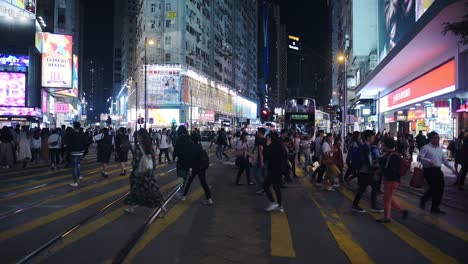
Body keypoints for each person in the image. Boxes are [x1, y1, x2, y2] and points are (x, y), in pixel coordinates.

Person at [124, 128, 164, 214]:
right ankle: (161, 207)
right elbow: (153, 160)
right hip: (148, 173)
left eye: (138, 135)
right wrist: (152, 170)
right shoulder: (149, 146)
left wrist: (134, 170)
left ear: (141, 137)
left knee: (135, 189)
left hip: (139, 173)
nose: (137, 137)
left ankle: (131, 207)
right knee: (152, 190)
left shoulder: (138, 147)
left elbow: (136, 161)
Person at [418, 131, 457, 214]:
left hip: (438, 170)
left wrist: (452, 168)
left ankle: (434, 206)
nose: (437, 139)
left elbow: (444, 160)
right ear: (431, 139)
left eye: (438, 138)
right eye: (435, 138)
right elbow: (419, 158)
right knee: (434, 187)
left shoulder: (439, 149)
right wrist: (428, 161)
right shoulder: (426, 148)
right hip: (429, 170)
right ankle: (426, 200)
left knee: (440, 188)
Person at [376, 137, 409, 223]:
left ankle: (387, 217)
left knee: (387, 199)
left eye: (383, 145)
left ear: (386, 146)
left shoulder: (390, 156)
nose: (382, 146)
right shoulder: (394, 154)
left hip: (391, 180)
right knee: (388, 197)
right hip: (393, 180)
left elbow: (386, 169)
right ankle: (402, 211)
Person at [352, 130, 383, 213]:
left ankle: (355, 205)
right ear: (368, 138)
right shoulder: (366, 147)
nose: (374, 138)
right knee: (374, 186)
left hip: (363, 171)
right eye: (372, 137)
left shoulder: (364, 146)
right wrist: (374, 167)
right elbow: (368, 160)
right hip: (365, 171)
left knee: (362, 189)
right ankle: (373, 206)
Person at [180, 132, 213, 204]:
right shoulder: (199, 145)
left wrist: (190, 168)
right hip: (201, 167)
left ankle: (184, 196)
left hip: (194, 167)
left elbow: (190, 158)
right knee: (204, 183)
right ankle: (209, 199)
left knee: (189, 182)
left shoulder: (191, 146)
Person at [264, 132, 287, 212]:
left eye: (269, 137)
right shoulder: (280, 146)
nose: (268, 139)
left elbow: (266, 157)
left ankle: (273, 202)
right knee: (276, 187)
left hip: (273, 169)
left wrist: (267, 145)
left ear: (271, 138)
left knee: (266, 186)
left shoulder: (271, 146)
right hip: (279, 170)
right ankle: (280, 206)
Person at [65, 122, 88, 186]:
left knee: (74, 167)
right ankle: (79, 176)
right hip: (80, 152)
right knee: (77, 165)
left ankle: (75, 182)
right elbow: (85, 143)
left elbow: (68, 143)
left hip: (73, 152)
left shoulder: (71, 134)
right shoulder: (83, 134)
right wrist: (84, 151)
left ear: (74, 127)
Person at [173, 125, 193, 190]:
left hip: (181, 159)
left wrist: (174, 157)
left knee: (181, 174)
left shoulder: (179, 139)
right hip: (189, 159)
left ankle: (181, 188)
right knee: (186, 174)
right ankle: (184, 186)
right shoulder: (189, 137)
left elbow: (176, 149)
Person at [252, 128, 267, 194]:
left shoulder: (260, 140)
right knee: (263, 175)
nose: (257, 133)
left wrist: (261, 162)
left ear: (260, 133)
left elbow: (260, 152)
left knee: (255, 173)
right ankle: (264, 187)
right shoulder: (266, 140)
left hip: (261, 160)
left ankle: (261, 188)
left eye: (258, 132)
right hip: (265, 160)